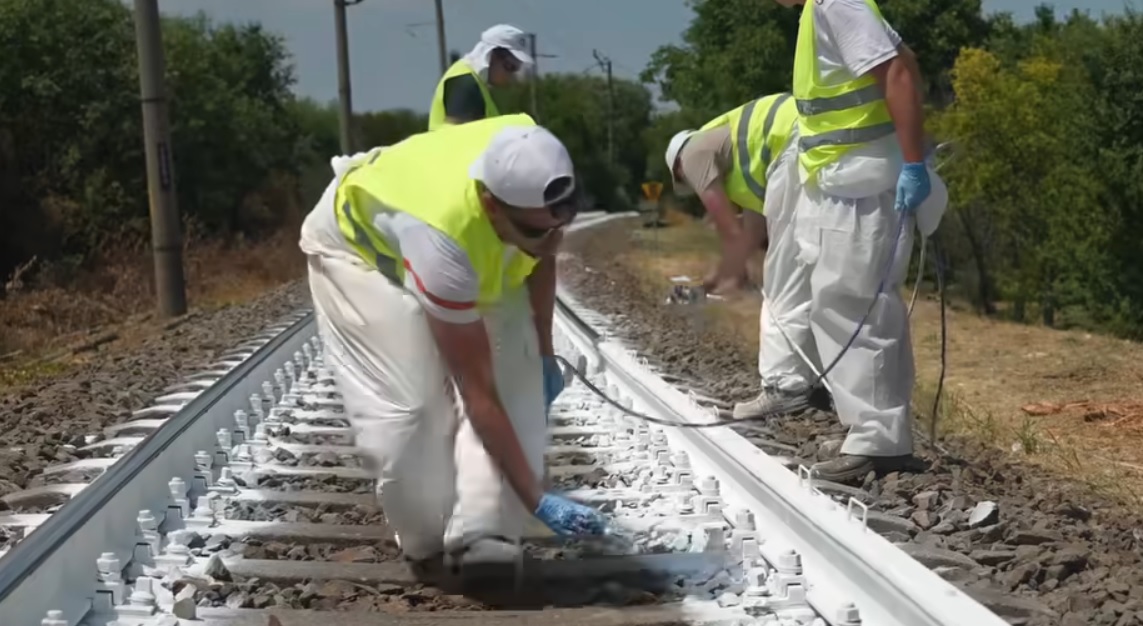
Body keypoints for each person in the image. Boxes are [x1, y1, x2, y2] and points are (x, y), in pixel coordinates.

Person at [297, 114, 607, 572]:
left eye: (562, 224)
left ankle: (482, 528)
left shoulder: (531, 160)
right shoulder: (442, 239)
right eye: (538, 232)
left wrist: (542, 351)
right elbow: (477, 391)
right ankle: (422, 539)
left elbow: (541, 257)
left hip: (460, 234)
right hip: (357, 252)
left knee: (514, 370)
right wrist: (538, 500)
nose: (553, 240)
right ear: (492, 205)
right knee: (413, 410)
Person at [765, 0, 948, 483]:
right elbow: (906, 60)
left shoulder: (836, 3)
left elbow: (896, 74)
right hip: (844, 182)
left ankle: (878, 439)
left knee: (855, 308)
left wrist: (914, 161)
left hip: (859, 186)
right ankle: (872, 431)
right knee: (848, 307)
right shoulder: (822, 8)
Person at [663, 94, 820, 419]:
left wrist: (732, 275)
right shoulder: (748, 166)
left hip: (793, 141)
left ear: (678, 169)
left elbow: (725, 224)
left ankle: (783, 388)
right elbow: (750, 235)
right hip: (815, 132)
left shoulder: (691, 154)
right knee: (813, 275)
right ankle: (817, 380)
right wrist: (719, 277)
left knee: (781, 285)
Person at [427, 24, 533, 131]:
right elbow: (458, 136)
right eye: (510, 67)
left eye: (516, 68)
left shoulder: (475, 82)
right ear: (491, 56)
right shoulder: (465, 83)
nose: (512, 75)